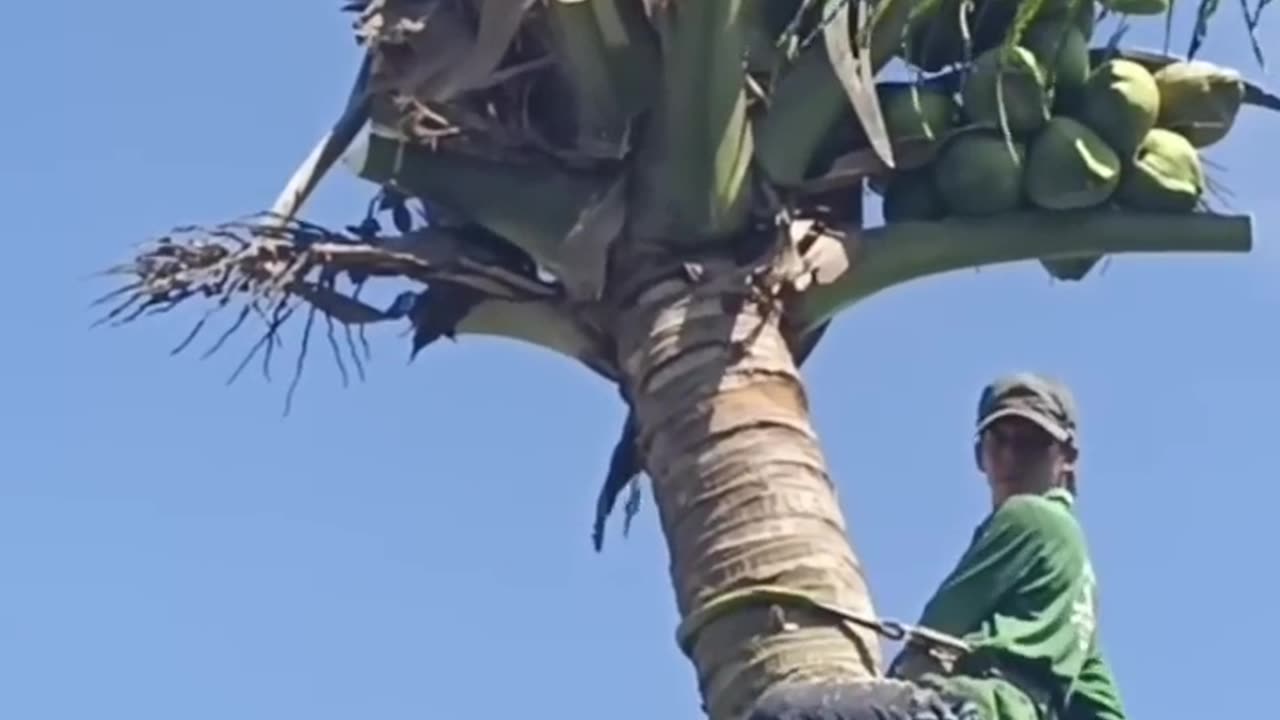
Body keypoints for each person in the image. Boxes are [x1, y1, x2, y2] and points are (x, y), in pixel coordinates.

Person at [887, 373, 1127, 720]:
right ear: (978, 453)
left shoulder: (1029, 516)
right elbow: (1100, 704)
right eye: (998, 440)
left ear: (1067, 455)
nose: (1011, 455)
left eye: (1030, 442)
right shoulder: (1076, 573)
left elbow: (935, 631)